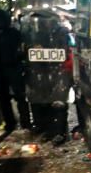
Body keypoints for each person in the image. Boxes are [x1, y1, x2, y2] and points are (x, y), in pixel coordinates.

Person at [23, 13, 73, 145]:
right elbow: (28, 52)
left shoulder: (61, 33)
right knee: (42, 102)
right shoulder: (35, 34)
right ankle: (46, 130)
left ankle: (59, 132)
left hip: (58, 72)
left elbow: (64, 50)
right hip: (40, 73)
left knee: (58, 103)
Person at [0, 8, 31, 132]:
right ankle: (12, 122)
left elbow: (22, 49)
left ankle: (24, 122)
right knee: (5, 98)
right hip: (1, 69)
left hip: (12, 67)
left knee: (19, 96)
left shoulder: (13, 33)